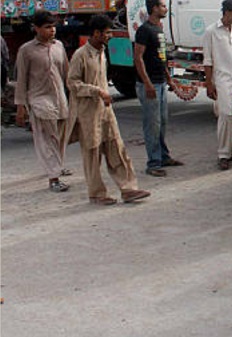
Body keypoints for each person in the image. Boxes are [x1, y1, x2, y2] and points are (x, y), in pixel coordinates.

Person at [65, 15, 151, 206]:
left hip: (106, 112)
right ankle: (96, 194)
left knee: (117, 150)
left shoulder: (102, 52)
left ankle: (128, 189)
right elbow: (72, 83)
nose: (110, 35)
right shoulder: (81, 55)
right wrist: (97, 92)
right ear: (96, 33)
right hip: (88, 113)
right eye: (107, 32)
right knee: (92, 155)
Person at [14, 10, 71, 192]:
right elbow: (21, 80)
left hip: (59, 99)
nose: (52, 30)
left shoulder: (58, 47)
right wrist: (21, 106)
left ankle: (56, 167)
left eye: (53, 26)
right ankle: (53, 178)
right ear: (36, 28)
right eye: (47, 27)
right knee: (46, 139)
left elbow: (66, 74)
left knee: (59, 137)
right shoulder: (26, 51)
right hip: (39, 100)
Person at [134, 0, 183, 177]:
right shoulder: (144, 30)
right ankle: (153, 163)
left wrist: (168, 78)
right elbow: (138, 58)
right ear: (154, 8)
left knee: (162, 122)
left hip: (160, 82)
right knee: (152, 124)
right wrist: (147, 84)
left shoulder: (159, 29)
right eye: (162, 6)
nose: (165, 8)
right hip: (150, 84)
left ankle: (163, 156)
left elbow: (161, 58)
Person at [202, 0, 232, 171]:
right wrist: (209, 83)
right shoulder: (211, 31)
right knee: (225, 115)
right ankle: (223, 154)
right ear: (228, 12)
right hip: (222, 79)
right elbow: (207, 60)